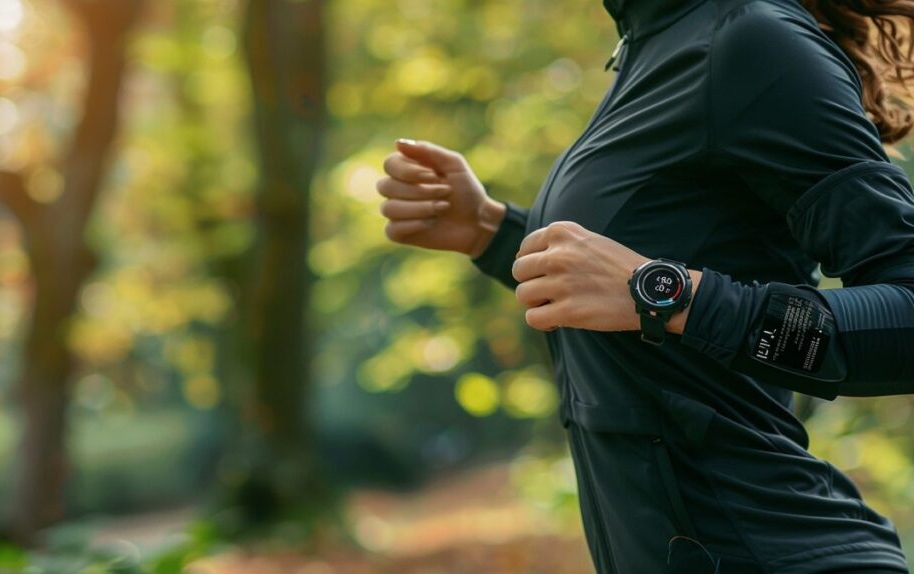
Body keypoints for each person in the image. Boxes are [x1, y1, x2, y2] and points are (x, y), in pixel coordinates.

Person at [376, 0, 914, 572]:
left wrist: (664, 293)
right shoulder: (654, 43)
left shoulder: (749, 38)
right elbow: (635, 290)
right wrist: (491, 231)